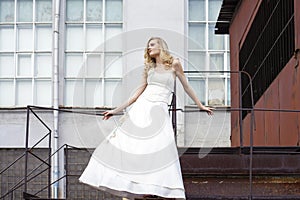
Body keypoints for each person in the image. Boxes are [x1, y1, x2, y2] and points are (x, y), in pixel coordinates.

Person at [79, 37, 214, 200]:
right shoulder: (148, 69)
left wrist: (200, 105)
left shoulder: (174, 64)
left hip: (159, 110)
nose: (149, 48)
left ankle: (153, 187)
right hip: (142, 107)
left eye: (152, 45)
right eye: (147, 46)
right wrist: (115, 111)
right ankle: (135, 187)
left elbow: (186, 86)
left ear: (161, 46)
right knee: (134, 145)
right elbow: (136, 95)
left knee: (158, 147)